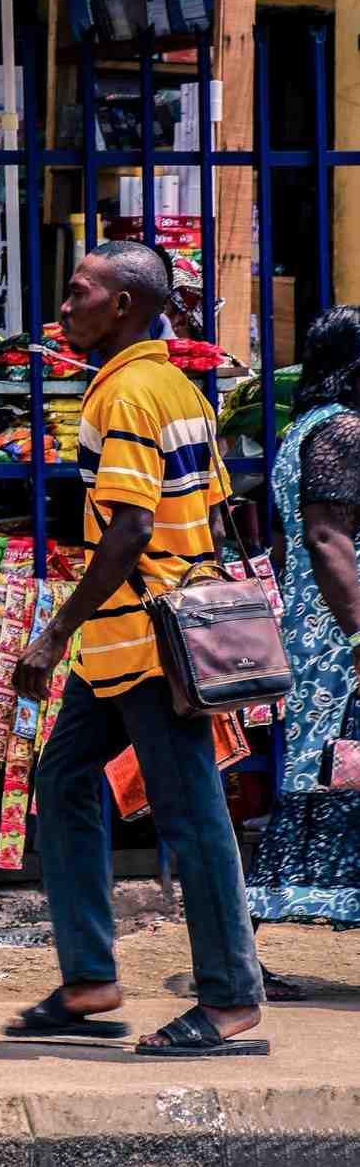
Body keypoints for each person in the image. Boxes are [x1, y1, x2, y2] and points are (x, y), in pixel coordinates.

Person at [6, 240, 268, 1057]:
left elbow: (129, 528)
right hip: (140, 639)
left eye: (77, 291)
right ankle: (89, 976)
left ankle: (229, 999)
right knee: (63, 778)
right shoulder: (176, 385)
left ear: (122, 305)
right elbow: (218, 507)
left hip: (149, 642)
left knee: (193, 821)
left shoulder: (122, 397)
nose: (62, 306)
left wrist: (52, 634)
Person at [246, 306, 360, 985]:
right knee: (320, 780)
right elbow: (324, 539)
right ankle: (235, 955)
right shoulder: (341, 432)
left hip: (318, 634)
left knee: (315, 782)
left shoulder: (303, 431)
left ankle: (238, 953)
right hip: (337, 647)